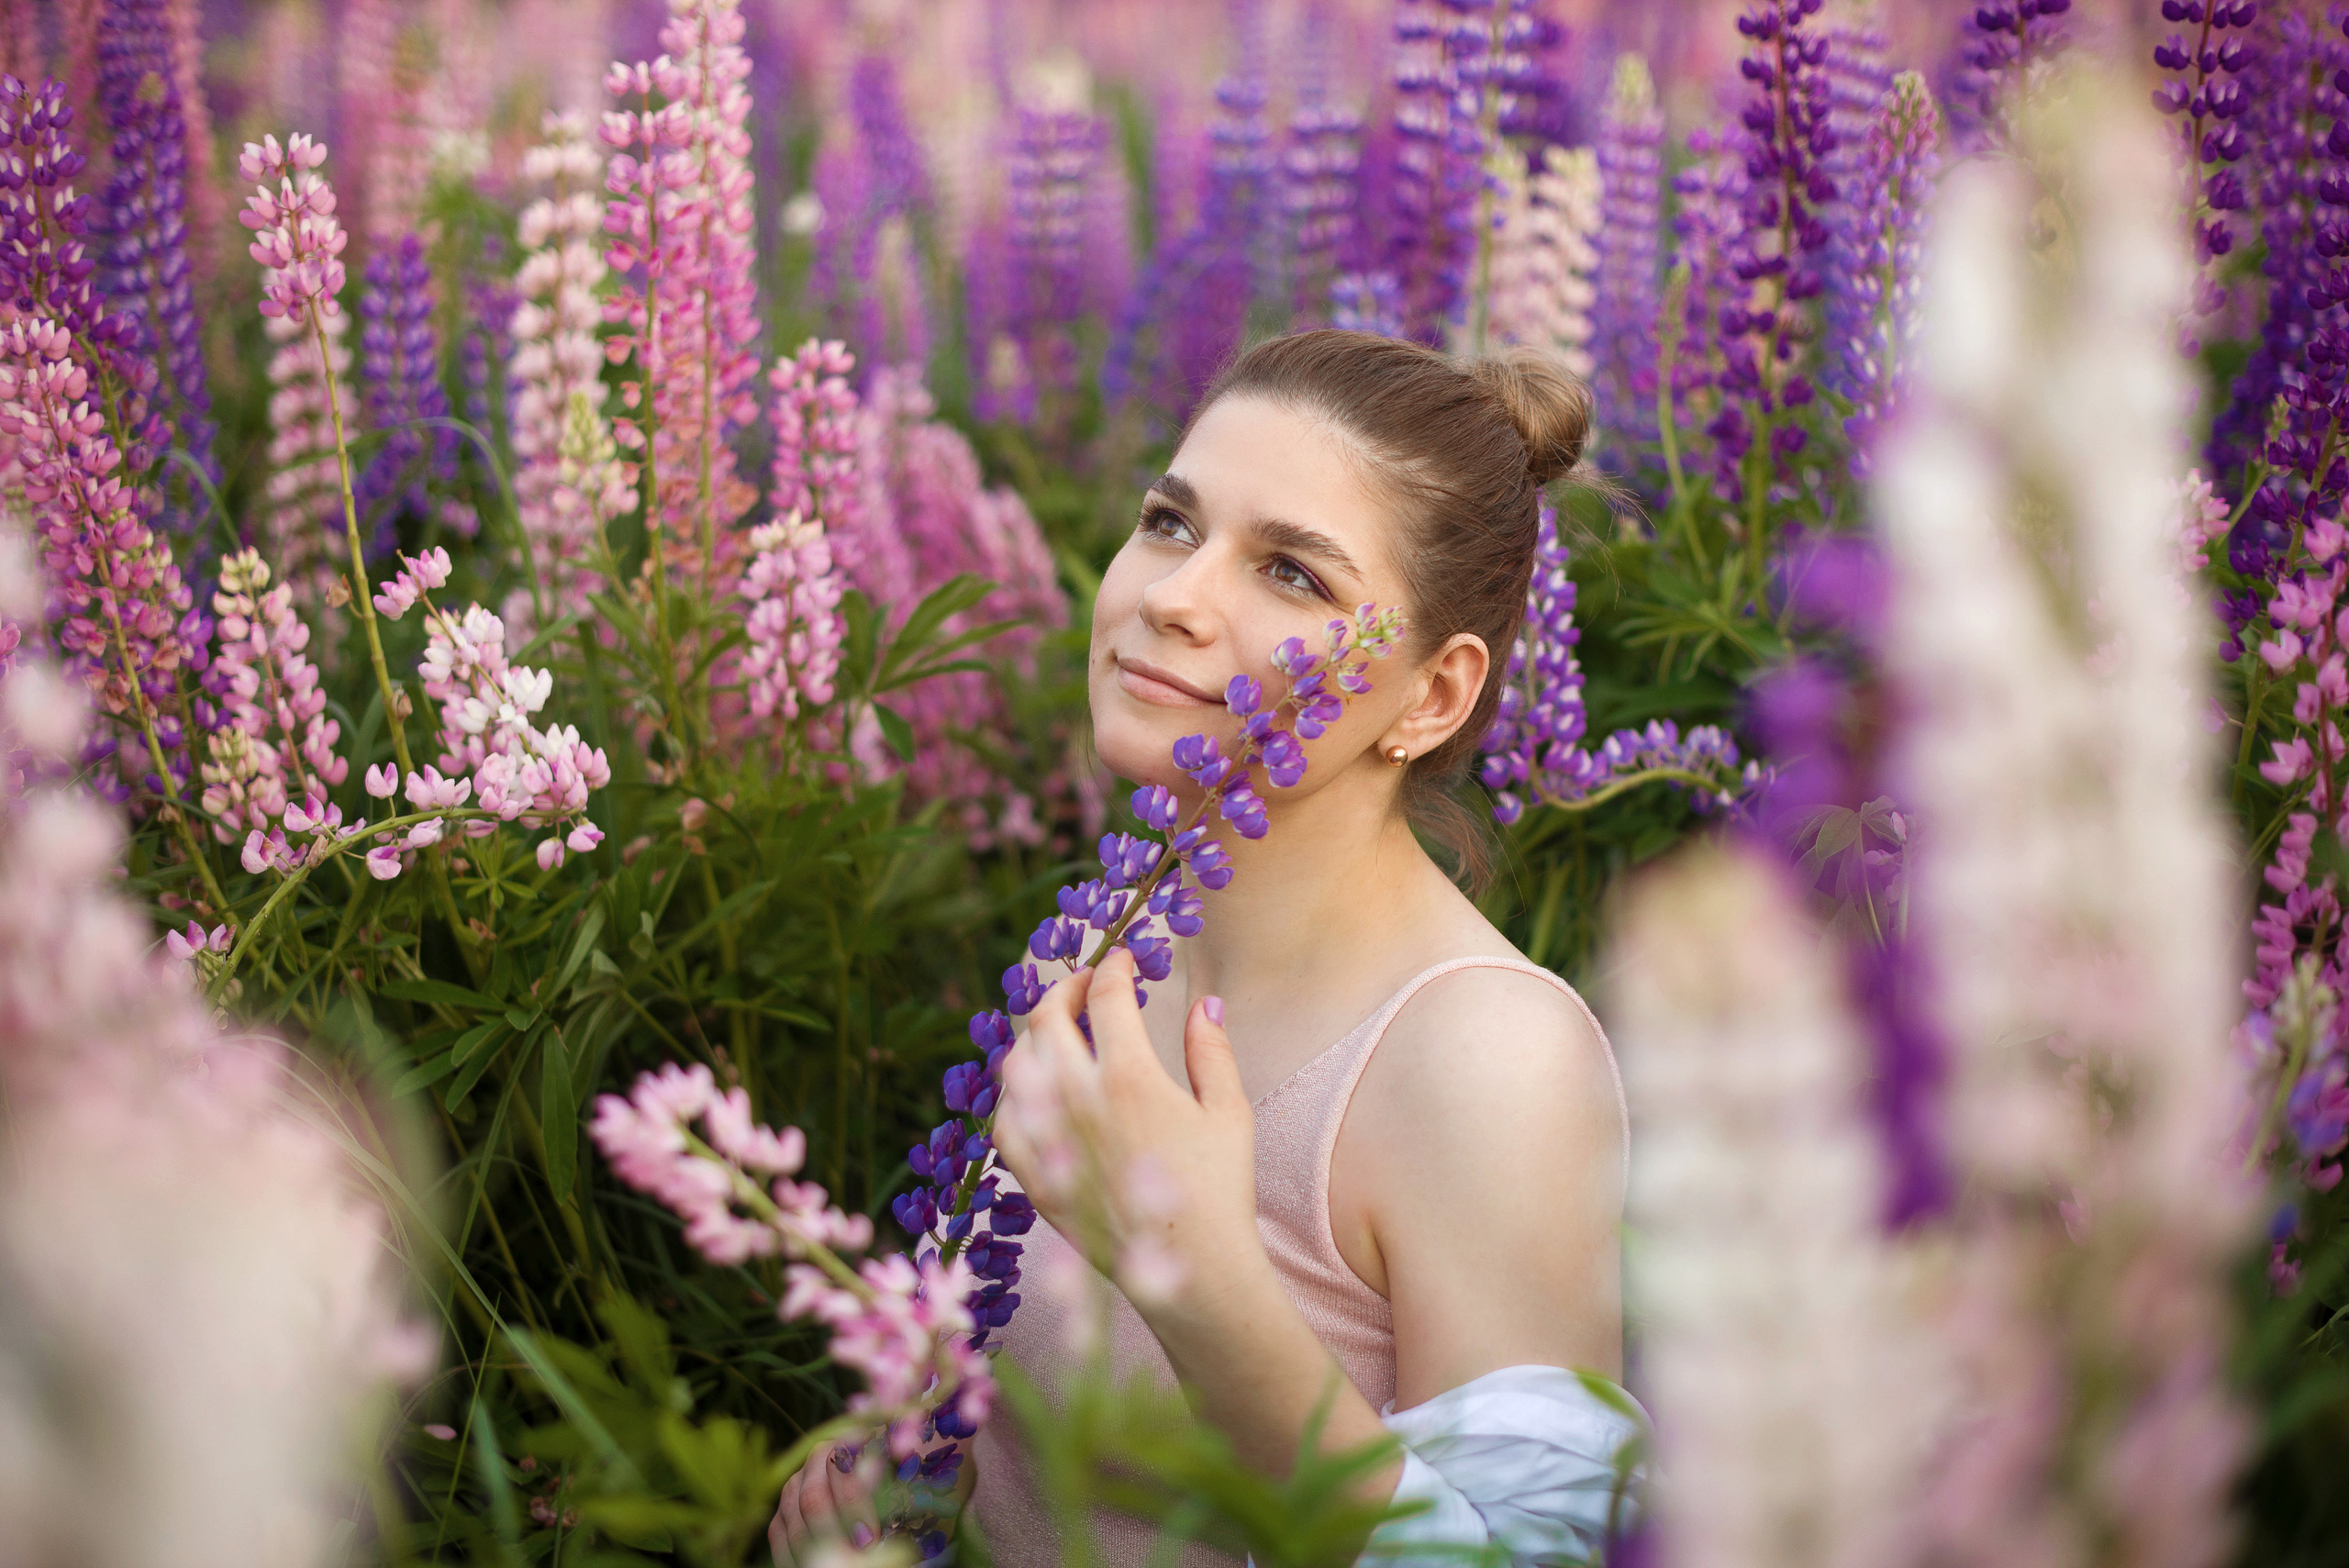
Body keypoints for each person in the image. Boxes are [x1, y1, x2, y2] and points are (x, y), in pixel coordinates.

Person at [772, 330, 1638, 1566]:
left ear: (1436, 695)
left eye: (1291, 573)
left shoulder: (1491, 1057)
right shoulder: (1103, 941)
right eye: (1172, 523)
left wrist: (1195, 1274)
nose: (1171, 594)